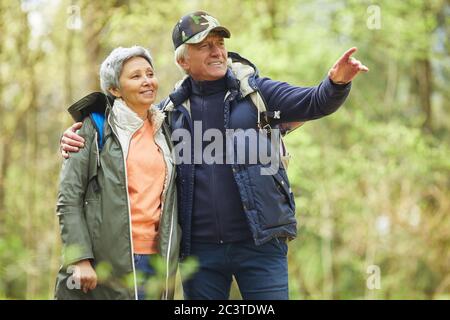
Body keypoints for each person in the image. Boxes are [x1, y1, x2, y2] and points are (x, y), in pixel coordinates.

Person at [60, 11, 368, 300]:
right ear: (183, 60)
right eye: (205, 46)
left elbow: (314, 102)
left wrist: (336, 83)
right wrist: (79, 134)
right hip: (199, 254)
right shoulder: (169, 114)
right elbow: (123, 127)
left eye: (219, 43)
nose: (217, 51)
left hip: (261, 245)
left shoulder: (258, 94)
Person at [55, 46, 180, 300]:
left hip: (158, 261)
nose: (147, 81)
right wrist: (79, 258)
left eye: (149, 73)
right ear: (114, 89)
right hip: (106, 262)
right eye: (135, 76)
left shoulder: (165, 127)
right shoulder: (93, 128)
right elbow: (69, 198)